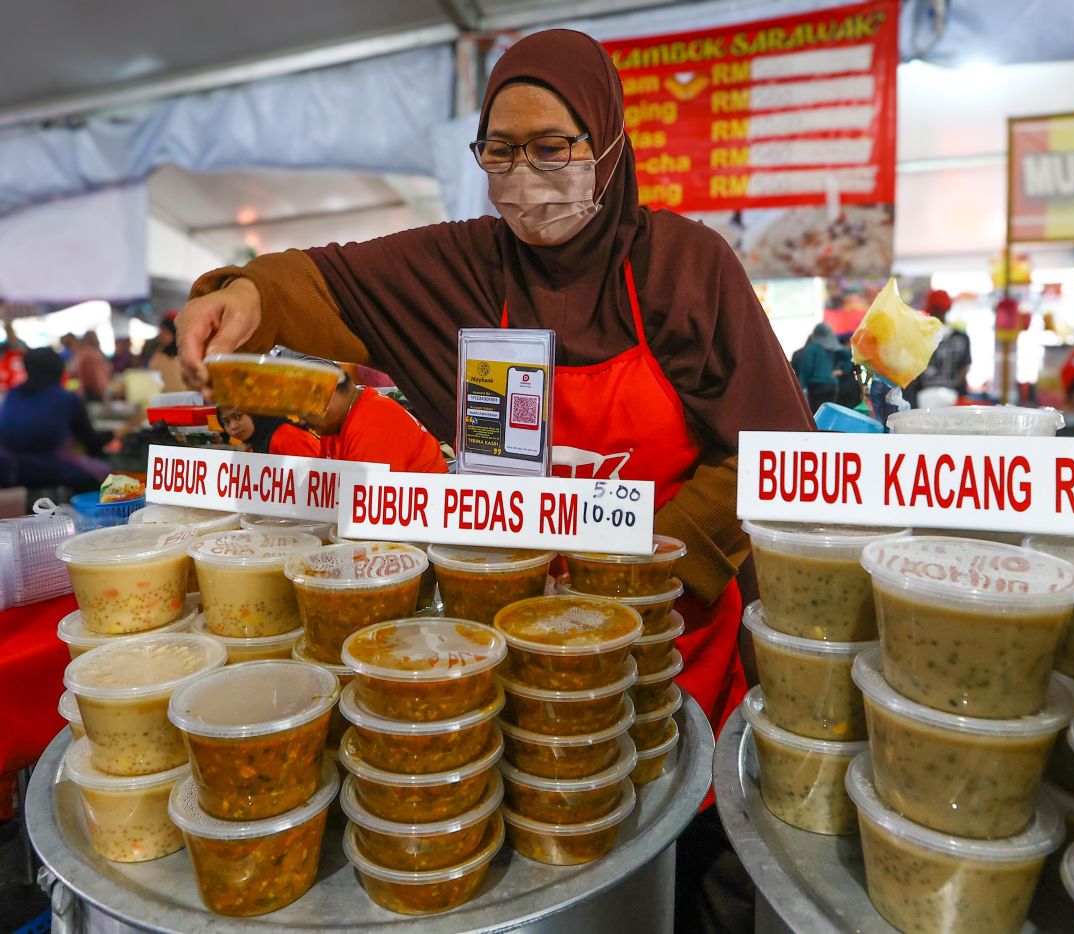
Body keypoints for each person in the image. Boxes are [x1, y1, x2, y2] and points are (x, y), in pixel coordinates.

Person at [176, 30, 810, 932]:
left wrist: (638, 559)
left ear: (609, 141)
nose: (526, 175)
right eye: (501, 151)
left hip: (667, 634)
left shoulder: (683, 266)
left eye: (554, 147)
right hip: (505, 632)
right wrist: (240, 292)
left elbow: (772, 455)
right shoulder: (467, 267)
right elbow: (322, 283)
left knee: (666, 833)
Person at [0, 347, 112, 490]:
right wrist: (115, 435)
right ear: (59, 369)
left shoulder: (12, 396)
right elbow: (92, 442)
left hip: (9, 472)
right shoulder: (66, 399)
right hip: (50, 471)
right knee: (106, 474)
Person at [306, 370, 448, 473]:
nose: (301, 420)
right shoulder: (335, 422)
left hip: (429, 508)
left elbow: (366, 508)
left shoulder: (370, 427)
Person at [909, 289, 970, 404]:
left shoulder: (920, 337)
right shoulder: (961, 337)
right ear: (948, 308)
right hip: (953, 395)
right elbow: (964, 369)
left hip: (924, 395)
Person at [218, 407, 320, 457]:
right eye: (226, 422)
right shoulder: (253, 444)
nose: (233, 427)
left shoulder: (286, 438)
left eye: (238, 416)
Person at [792, 323, 843, 413]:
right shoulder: (826, 351)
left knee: (812, 411)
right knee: (827, 411)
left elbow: (799, 370)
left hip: (808, 386)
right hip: (827, 385)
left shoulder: (798, 353)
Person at [147, 317, 187, 393]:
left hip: (185, 397)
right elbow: (152, 373)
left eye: (165, 332)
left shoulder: (184, 352)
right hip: (165, 397)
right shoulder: (158, 353)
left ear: (173, 332)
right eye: (161, 332)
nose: (162, 336)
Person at [73, 331, 113, 402]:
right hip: (95, 393)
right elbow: (98, 378)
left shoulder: (80, 352)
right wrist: (104, 396)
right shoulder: (92, 354)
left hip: (84, 392)